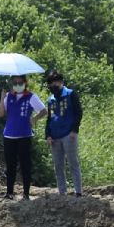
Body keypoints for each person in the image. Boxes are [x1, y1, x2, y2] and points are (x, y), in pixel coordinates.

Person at [0, 74, 48, 200]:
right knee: (10, 166)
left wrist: (34, 119)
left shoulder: (31, 96)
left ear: (25, 83)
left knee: (25, 165)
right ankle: (9, 192)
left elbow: (44, 111)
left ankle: (26, 193)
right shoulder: (9, 96)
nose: (18, 85)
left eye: (20, 83)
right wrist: (2, 97)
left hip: (24, 135)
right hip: (9, 135)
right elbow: (1, 113)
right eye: (15, 83)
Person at [45, 69, 84, 197]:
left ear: (61, 82)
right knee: (58, 165)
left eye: (56, 82)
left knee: (73, 162)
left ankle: (78, 191)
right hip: (55, 136)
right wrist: (48, 135)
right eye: (51, 83)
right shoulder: (50, 99)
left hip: (69, 133)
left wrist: (74, 130)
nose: (53, 86)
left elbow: (78, 113)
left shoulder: (71, 94)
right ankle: (62, 192)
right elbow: (49, 118)